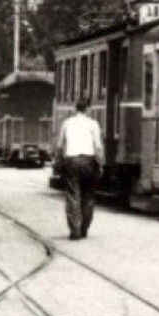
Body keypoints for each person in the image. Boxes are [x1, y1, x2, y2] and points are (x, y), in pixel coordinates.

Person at [55, 97, 104, 240]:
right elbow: (98, 147)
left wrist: (59, 160)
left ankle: (74, 230)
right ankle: (84, 229)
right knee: (88, 196)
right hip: (89, 161)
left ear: (76, 109)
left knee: (73, 195)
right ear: (88, 109)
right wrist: (100, 165)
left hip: (72, 161)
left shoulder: (67, 123)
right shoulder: (93, 124)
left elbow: (59, 145)